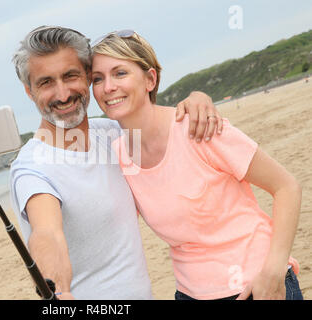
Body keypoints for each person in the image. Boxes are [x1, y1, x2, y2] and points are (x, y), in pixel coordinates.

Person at [9, 26, 223, 299]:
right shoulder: (32, 167)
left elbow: (155, 119)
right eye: (46, 82)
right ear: (29, 91)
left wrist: (198, 98)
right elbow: (46, 234)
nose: (62, 94)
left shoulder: (114, 134)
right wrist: (56, 289)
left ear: (88, 77)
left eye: (70, 76)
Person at [91, 30, 303, 300]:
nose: (108, 87)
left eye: (120, 73)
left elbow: (287, 187)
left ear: (150, 79)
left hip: (255, 286)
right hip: (190, 294)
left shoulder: (198, 127)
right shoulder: (118, 155)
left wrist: (273, 271)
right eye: (97, 79)